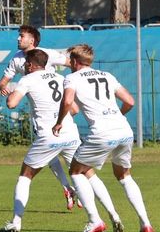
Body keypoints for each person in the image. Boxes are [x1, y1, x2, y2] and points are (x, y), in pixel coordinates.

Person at [53, 44, 153, 232]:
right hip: (124, 130)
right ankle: (145, 224)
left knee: (76, 171)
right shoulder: (107, 75)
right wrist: (119, 117)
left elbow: (67, 101)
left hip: (101, 132)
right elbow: (130, 101)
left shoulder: (71, 78)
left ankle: (95, 221)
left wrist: (59, 122)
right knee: (124, 176)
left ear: (74, 62)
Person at [0, 25, 79, 208]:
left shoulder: (48, 54)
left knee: (70, 162)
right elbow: (3, 82)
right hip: (42, 114)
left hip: (59, 111)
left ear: (32, 40)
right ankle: (69, 188)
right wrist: (4, 87)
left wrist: (73, 85)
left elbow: (72, 64)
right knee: (52, 156)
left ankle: (78, 190)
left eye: (22, 36)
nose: (18, 39)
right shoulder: (17, 59)